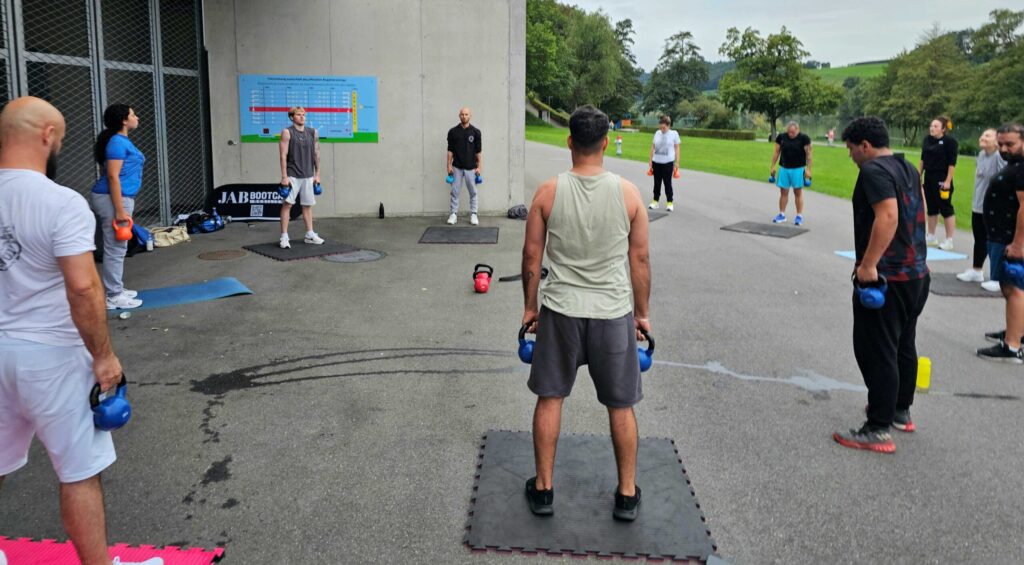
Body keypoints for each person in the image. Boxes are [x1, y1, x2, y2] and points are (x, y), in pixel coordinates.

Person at [0, 97, 161, 565]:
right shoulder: (60, 202)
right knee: (78, 473)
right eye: (62, 138)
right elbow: (84, 290)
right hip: (52, 357)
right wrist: (104, 356)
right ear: (47, 135)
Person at [521, 105, 651, 520]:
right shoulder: (630, 194)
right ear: (607, 142)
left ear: (570, 142)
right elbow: (641, 260)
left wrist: (529, 307)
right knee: (621, 406)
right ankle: (627, 495)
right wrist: (642, 315)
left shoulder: (547, 192)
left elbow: (530, 256)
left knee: (550, 398)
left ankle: (543, 489)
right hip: (612, 313)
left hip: (560, 312)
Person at [833, 116, 930, 454]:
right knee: (904, 344)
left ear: (865, 145)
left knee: (877, 349)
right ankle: (900, 411)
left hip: (887, 276)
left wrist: (869, 265)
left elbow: (888, 216)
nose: (850, 156)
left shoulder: (873, 171)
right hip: (916, 273)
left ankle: (877, 428)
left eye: (851, 149)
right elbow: (919, 209)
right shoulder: (906, 167)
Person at [976, 123, 1024, 363]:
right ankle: (1017, 332)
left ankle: (1012, 346)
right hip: (1001, 236)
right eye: (1001, 144)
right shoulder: (1015, 166)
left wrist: (1018, 244)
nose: (1004, 148)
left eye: (1010, 144)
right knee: (1014, 289)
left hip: (1009, 239)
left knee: (1013, 288)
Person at [90, 104, 144, 310]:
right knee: (116, 247)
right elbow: (112, 176)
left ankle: (116, 289)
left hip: (119, 198)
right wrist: (120, 209)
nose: (136, 117)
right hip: (113, 199)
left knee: (118, 246)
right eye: (133, 114)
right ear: (124, 120)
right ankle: (113, 295)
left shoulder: (120, 141)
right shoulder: (116, 143)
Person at [956, 129, 1005, 291]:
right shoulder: (981, 155)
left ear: (997, 141)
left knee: (995, 242)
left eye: (987, 136)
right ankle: (977, 270)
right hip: (978, 204)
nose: (983, 137)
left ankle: (998, 277)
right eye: (982, 135)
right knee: (979, 239)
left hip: (994, 207)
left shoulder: (999, 157)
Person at [278, 106, 324, 249]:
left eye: (304, 114)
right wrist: (284, 176)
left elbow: (316, 154)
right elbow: (283, 156)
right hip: (292, 174)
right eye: (299, 114)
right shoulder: (287, 132)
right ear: (292, 117)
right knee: (287, 205)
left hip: (308, 175)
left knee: (307, 206)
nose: (302, 117)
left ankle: (309, 234)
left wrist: (317, 174)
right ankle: (284, 236)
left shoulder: (313, 132)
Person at [918, 116, 958, 250]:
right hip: (929, 177)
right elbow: (923, 159)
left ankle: (949, 239)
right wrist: (919, 175)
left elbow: (952, 163)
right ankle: (931, 236)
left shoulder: (950, 142)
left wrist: (947, 181)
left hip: (942, 178)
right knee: (932, 208)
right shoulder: (927, 140)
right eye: (931, 126)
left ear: (943, 129)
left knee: (945, 208)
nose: (932, 128)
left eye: (935, 126)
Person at [769, 121, 812, 226]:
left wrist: (808, 169)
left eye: (792, 132)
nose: (790, 134)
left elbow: (809, 154)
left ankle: (799, 216)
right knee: (783, 193)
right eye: (789, 132)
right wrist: (772, 166)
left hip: (798, 169)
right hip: (784, 168)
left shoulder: (804, 138)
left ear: (798, 130)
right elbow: (776, 152)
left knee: (798, 193)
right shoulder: (782, 137)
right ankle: (782, 214)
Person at [446, 107, 482, 225]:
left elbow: (478, 152)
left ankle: (474, 214)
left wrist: (479, 167)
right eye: (462, 114)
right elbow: (450, 150)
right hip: (457, 167)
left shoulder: (476, 132)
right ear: (459, 116)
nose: (464, 116)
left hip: (471, 167)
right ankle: (453, 214)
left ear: (470, 116)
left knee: (473, 192)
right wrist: (449, 166)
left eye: (466, 114)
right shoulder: (453, 132)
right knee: (455, 191)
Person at [647, 115, 680, 212]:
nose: (662, 129)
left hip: (668, 163)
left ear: (668, 126)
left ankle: (670, 202)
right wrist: (650, 160)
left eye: (664, 127)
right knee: (656, 183)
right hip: (656, 161)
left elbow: (677, 148)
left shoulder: (674, 134)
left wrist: (677, 162)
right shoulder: (657, 133)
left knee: (667, 183)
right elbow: (653, 147)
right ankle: (655, 201)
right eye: (660, 127)